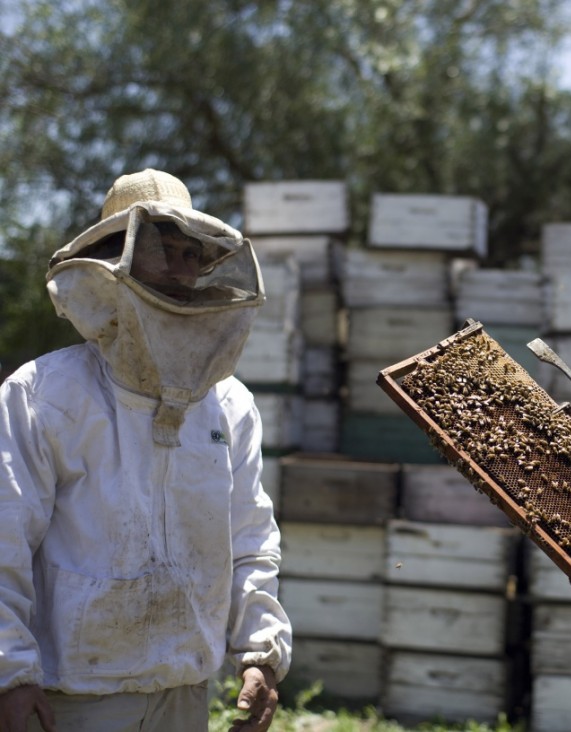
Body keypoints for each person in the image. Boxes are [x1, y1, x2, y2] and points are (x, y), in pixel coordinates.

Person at [0, 169, 292, 731]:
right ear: (114, 260)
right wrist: (9, 673)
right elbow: (3, 538)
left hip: (185, 693)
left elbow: (250, 535)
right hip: (72, 699)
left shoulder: (228, 403)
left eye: (191, 253)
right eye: (162, 248)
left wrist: (259, 649)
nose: (181, 268)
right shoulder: (42, 394)